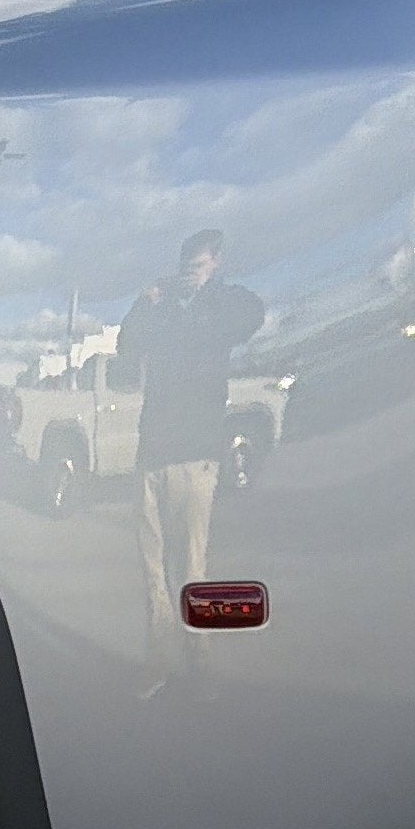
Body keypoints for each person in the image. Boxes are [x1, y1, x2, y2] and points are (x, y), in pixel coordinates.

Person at [116, 229, 265, 658]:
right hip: (152, 454)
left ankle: (197, 660)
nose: (188, 275)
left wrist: (208, 293)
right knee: (152, 569)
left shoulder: (221, 309)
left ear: (216, 264)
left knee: (192, 568)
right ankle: (160, 658)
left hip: (196, 453)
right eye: (185, 267)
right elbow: (127, 351)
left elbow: (252, 315)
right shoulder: (161, 312)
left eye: (198, 266)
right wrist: (144, 304)